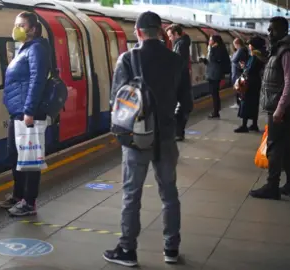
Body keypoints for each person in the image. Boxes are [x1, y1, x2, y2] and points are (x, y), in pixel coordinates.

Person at [103, 11, 185, 267]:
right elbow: (187, 102)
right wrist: (172, 126)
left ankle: (128, 250)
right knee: (169, 194)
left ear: (138, 32)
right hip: (167, 138)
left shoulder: (128, 58)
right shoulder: (176, 60)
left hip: (138, 138)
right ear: (160, 31)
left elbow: (117, 100)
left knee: (131, 194)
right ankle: (171, 249)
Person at [0, 11, 50, 216]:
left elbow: (37, 81)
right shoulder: (24, 48)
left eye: (22, 25)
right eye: (16, 24)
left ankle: (29, 202)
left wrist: (29, 111)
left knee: (29, 158)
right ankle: (18, 194)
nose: (17, 28)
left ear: (34, 29)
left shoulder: (36, 49)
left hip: (28, 113)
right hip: (18, 112)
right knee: (15, 155)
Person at [250, 16, 290, 200]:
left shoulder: (287, 52)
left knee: (274, 146)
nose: (269, 33)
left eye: (273, 29)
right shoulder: (280, 50)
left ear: (283, 31)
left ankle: (272, 186)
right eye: (269, 29)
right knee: (287, 145)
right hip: (283, 106)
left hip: (282, 108)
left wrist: (280, 109)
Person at [166, 24, 193, 141]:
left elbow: (179, 64)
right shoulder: (181, 43)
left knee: (180, 107)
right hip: (182, 80)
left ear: (176, 34)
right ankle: (178, 132)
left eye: (171, 36)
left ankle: (178, 133)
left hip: (181, 81)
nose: (170, 39)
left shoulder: (181, 45)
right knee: (181, 106)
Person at [234, 36, 266, 133]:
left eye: (250, 44)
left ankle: (244, 126)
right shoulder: (260, 54)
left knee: (245, 102)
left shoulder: (255, 55)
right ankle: (254, 124)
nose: (248, 46)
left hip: (250, 82)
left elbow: (250, 69)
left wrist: (244, 67)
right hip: (256, 81)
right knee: (254, 103)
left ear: (254, 46)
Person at [200, 34, 229, 118]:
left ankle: (216, 112)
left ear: (214, 41)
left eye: (210, 40)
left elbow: (215, 59)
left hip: (215, 74)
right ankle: (216, 110)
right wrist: (204, 60)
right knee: (214, 93)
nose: (209, 41)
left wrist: (211, 49)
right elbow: (211, 62)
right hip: (213, 73)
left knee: (214, 93)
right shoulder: (215, 49)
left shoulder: (218, 49)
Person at [230, 38, 249, 109]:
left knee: (238, 89)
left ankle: (239, 104)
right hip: (238, 72)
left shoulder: (240, 50)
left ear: (237, 44)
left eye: (234, 44)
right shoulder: (243, 50)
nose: (234, 46)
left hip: (237, 73)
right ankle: (239, 103)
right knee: (239, 88)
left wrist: (232, 58)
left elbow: (233, 60)